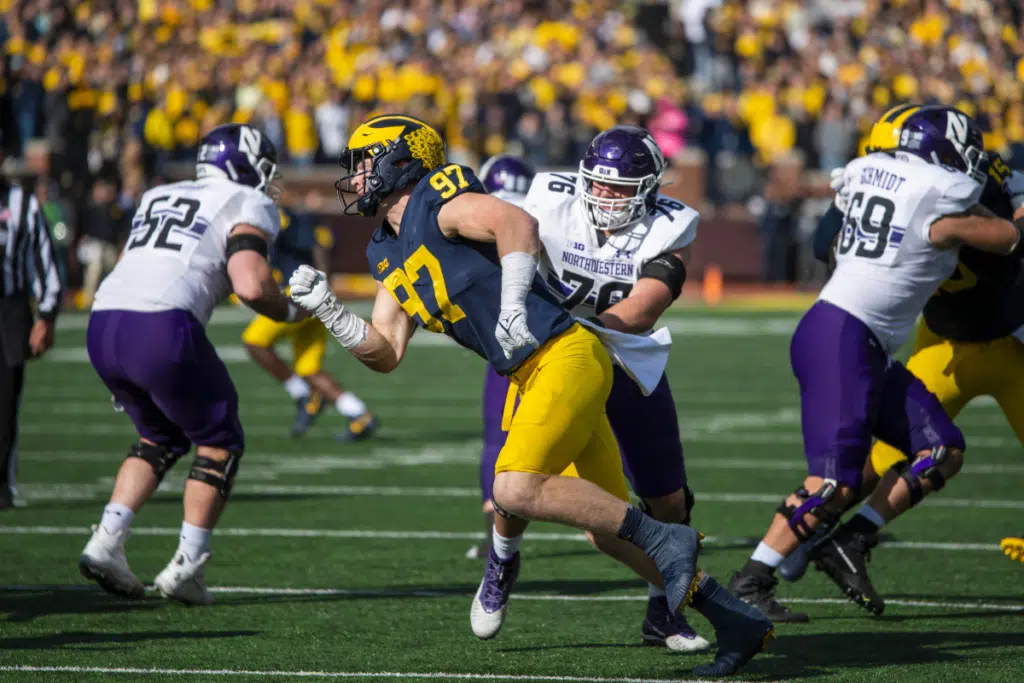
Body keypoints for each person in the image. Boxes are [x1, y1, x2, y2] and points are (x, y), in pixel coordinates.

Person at [288, 113, 773, 678]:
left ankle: (666, 536)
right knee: (606, 534)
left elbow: (516, 223)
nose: (356, 174)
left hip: (565, 354)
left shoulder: (438, 197)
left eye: (366, 161)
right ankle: (734, 618)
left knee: (512, 487)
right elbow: (385, 351)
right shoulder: (384, 248)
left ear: (402, 159)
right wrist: (329, 312)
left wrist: (514, 303)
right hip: (532, 371)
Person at [726, 105, 1023, 622]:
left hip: (858, 340)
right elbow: (1007, 240)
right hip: (842, 335)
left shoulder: (880, 181)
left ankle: (851, 540)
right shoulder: (939, 199)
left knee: (941, 449)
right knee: (833, 482)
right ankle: (751, 581)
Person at [474, 129, 711, 653]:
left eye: (620, 189)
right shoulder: (545, 197)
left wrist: (578, 335)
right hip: (551, 358)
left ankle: (663, 610)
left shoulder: (673, 225)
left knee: (668, 501)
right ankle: (502, 559)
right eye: (598, 187)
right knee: (519, 471)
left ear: (649, 190)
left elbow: (643, 308)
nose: (605, 198)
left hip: (625, 358)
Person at [78, 124, 309, 605]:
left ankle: (106, 541)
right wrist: (290, 311)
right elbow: (249, 284)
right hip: (160, 325)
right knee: (220, 440)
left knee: (159, 436)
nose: (270, 182)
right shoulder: (249, 202)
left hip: (105, 321)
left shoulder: (159, 193)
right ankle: (188, 564)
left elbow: (133, 261)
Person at [241, 202, 376, 440]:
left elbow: (315, 245)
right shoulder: (290, 217)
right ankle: (359, 414)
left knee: (254, 342)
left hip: (298, 295)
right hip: (310, 295)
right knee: (309, 368)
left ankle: (303, 394)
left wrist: (321, 285)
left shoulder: (282, 217)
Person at [0, 173, 63, 509]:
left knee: (5, 402)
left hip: (8, 310)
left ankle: (1, 487)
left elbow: (42, 258)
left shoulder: (22, 203)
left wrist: (47, 314)